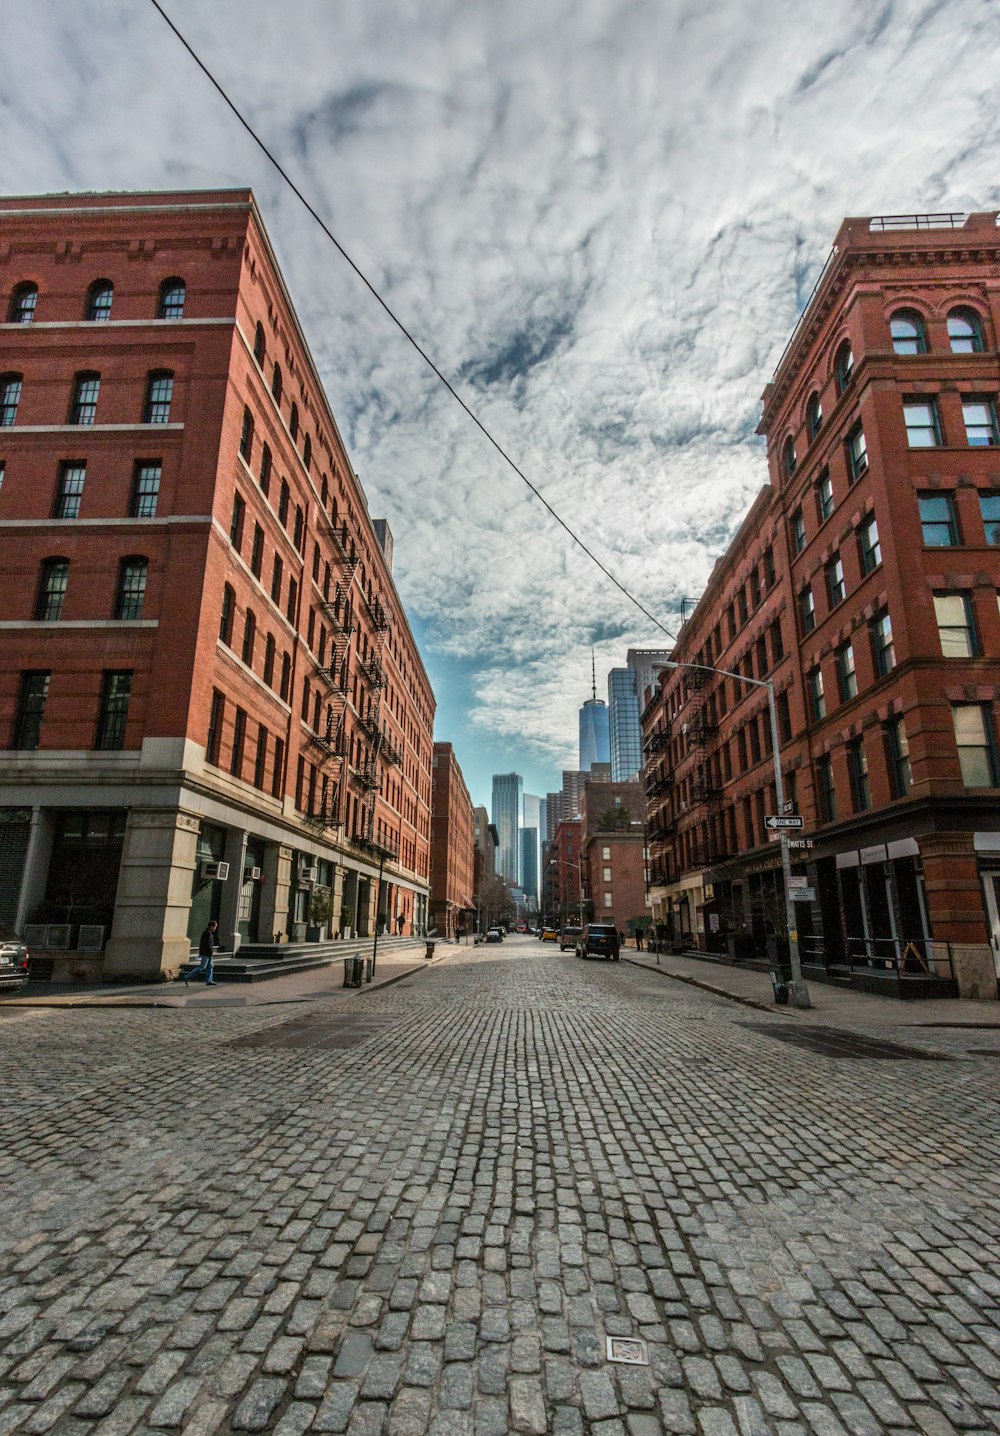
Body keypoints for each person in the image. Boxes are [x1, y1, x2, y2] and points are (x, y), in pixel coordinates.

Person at [184, 920, 219, 986]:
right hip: (206, 953)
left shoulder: (208, 933)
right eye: (215, 927)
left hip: (208, 953)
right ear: (211, 926)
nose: (215, 928)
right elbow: (207, 944)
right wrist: (209, 952)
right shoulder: (207, 933)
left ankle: (209, 980)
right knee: (202, 967)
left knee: (210, 967)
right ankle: (187, 976)